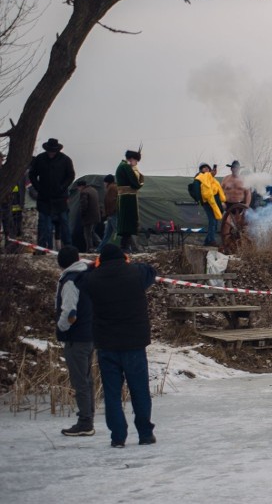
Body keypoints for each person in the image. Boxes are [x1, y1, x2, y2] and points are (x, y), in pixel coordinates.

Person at [78, 244, 157, 448]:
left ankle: (118, 437)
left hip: (107, 345)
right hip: (134, 343)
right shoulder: (135, 273)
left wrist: (93, 267)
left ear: (100, 260)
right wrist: (129, 262)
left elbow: (81, 281)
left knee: (112, 395)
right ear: (124, 258)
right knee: (140, 391)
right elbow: (151, 270)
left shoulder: (94, 278)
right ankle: (145, 433)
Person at [55, 246, 96, 437]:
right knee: (87, 380)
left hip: (76, 337)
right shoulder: (87, 275)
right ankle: (89, 417)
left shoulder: (70, 281)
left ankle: (85, 422)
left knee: (80, 381)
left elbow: (70, 312)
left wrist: (61, 328)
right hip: (90, 334)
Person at [29, 138, 75, 250]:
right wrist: (39, 188)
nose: (51, 153)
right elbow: (32, 175)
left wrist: (63, 186)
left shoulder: (65, 160)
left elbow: (71, 175)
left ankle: (68, 247)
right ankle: (42, 247)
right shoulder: (40, 159)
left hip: (60, 197)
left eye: (53, 151)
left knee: (64, 223)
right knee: (45, 225)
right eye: (49, 151)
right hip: (44, 198)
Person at [115, 149, 144, 252]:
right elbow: (136, 183)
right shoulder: (126, 167)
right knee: (128, 223)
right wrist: (136, 170)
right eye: (136, 161)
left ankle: (126, 246)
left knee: (125, 222)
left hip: (124, 197)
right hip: (128, 198)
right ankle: (125, 247)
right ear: (132, 159)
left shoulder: (121, 166)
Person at [194, 163, 226, 246]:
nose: (206, 169)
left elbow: (218, 191)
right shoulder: (199, 178)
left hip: (215, 202)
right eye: (204, 168)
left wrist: (221, 202)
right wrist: (201, 200)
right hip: (207, 202)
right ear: (201, 170)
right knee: (212, 221)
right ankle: (211, 240)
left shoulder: (213, 180)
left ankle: (207, 241)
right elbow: (197, 191)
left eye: (207, 168)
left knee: (215, 221)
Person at [76, 179, 101, 253]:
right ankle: (101, 245)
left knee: (87, 234)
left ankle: (89, 249)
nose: (78, 189)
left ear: (81, 186)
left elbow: (84, 205)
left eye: (78, 187)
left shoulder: (84, 192)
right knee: (92, 232)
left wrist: (82, 214)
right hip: (96, 216)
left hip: (89, 217)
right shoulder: (93, 190)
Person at [97, 174, 118, 253]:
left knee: (117, 232)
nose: (104, 184)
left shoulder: (111, 188)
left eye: (104, 182)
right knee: (108, 233)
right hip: (112, 214)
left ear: (107, 182)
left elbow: (110, 201)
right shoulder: (114, 187)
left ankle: (120, 248)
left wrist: (109, 213)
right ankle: (100, 249)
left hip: (113, 214)